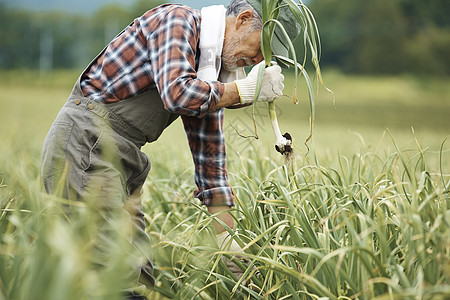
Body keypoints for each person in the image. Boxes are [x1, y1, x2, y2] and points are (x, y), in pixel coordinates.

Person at [41, 0, 299, 298]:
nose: (256, 61)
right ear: (242, 19)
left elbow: (209, 159)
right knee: (111, 272)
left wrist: (229, 245)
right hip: (85, 145)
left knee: (138, 268)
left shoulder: (208, 72)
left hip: (120, 158)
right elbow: (179, 93)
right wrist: (242, 91)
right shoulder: (177, 21)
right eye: (258, 50)